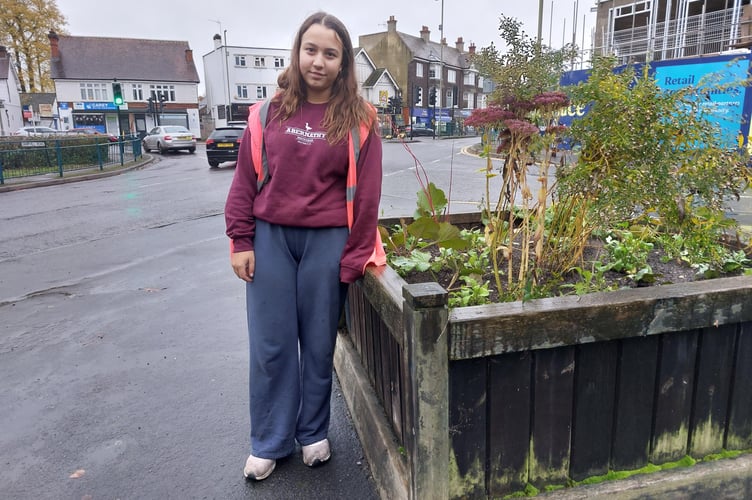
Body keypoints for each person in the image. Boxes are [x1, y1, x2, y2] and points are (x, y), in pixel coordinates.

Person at [224, 11, 384, 481]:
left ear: (343, 63)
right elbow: (244, 179)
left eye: (330, 54)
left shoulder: (361, 119)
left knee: (317, 345)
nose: (318, 61)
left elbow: (369, 194)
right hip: (271, 237)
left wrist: (354, 257)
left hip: (327, 241)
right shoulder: (268, 112)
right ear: (297, 53)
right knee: (271, 346)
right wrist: (240, 238)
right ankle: (270, 440)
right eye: (310, 50)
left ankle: (313, 432)